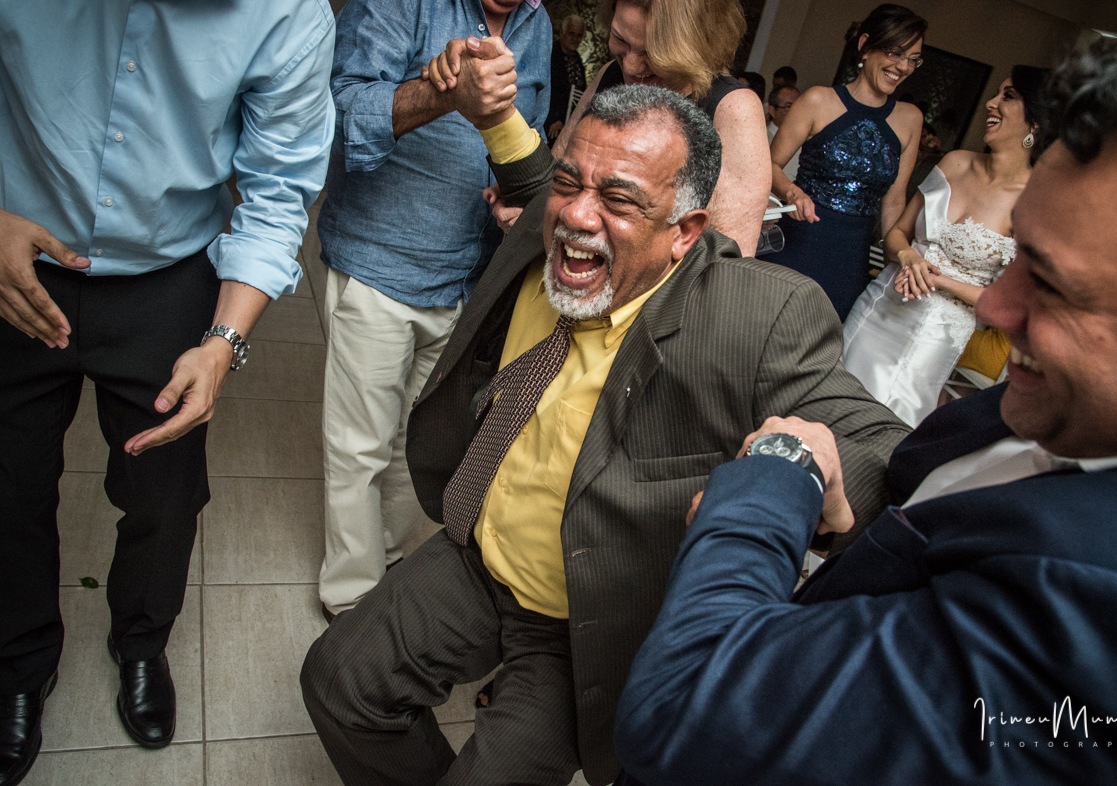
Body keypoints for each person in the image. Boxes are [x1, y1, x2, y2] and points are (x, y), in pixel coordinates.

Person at [614, 38, 1117, 785]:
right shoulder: (1053, 411)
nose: (994, 303)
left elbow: (686, 706)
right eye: (1020, 257)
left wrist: (773, 477)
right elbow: (909, 480)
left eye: (1052, 286)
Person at [300, 85, 908, 786]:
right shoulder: (548, 222)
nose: (577, 215)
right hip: (479, 557)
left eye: (619, 199)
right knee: (338, 680)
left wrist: (803, 470)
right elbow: (539, 181)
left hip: (586, 624)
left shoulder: (758, 315)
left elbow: (882, 447)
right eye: (569, 181)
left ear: (685, 230)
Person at [0, 0, 335, 782]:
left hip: (169, 275)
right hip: (16, 262)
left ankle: (141, 642)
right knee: (9, 484)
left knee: (165, 491)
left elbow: (279, 188)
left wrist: (223, 341)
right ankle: (17, 664)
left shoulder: (286, 5)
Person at [314, 0, 551, 620]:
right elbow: (341, 109)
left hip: (463, 279)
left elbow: (525, 142)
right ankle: (351, 600)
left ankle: (384, 558)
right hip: (378, 260)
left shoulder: (538, 25)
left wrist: (514, 199)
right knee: (359, 447)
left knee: (418, 441)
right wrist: (441, 94)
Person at [841, 67, 1051, 428]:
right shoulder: (954, 161)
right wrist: (907, 255)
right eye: (997, 93)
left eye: (1008, 96)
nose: (991, 103)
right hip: (879, 306)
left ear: (1036, 122)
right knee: (832, 394)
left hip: (934, 335)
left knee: (884, 423)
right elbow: (897, 233)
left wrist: (940, 281)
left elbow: (1010, 303)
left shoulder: (1036, 204)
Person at [549, 0, 772, 259]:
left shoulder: (734, 109)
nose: (630, 66)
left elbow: (724, 269)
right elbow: (556, 176)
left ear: (699, 46)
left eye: (651, 54)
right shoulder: (612, 73)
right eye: (621, 39)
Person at [762, 4, 926, 320]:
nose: (903, 66)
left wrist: (901, 252)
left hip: (850, 258)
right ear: (865, 44)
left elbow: (893, 201)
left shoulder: (911, 119)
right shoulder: (817, 100)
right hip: (799, 240)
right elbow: (769, 165)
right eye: (895, 52)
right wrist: (792, 193)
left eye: (912, 59)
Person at [546, 15, 588, 142]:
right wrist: (554, 118)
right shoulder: (551, 54)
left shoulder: (577, 58)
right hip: (552, 124)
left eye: (579, 35)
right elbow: (544, 90)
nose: (575, 39)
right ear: (562, 33)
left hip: (570, 124)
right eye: (571, 34)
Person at [767, 85, 802, 181]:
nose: (796, 112)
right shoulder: (761, 139)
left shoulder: (806, 145)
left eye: (800, 107)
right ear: (772, 110)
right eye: (789, 106)